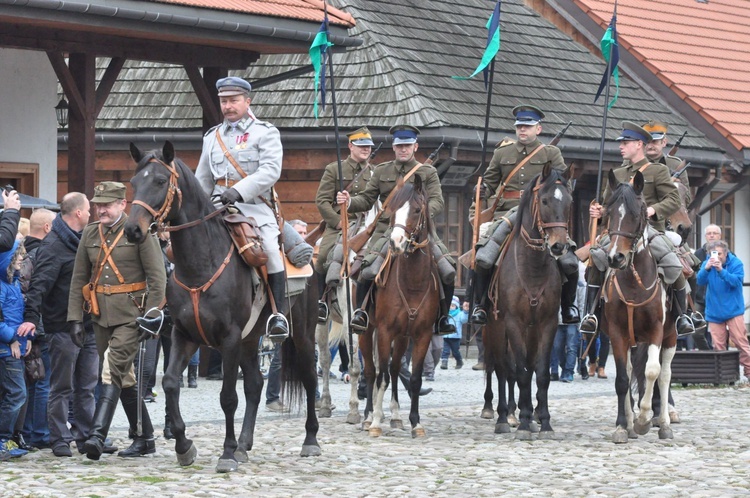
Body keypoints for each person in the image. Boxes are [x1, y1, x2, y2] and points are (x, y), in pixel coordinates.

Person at [67, 182, 166, 460]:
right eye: (98, 204)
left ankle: (96, 436)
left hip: (132, 315)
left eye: (107, 204)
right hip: (100, 315)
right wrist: (75, 318)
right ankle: (144, 438)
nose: (101, 209)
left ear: (123, 204)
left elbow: (158, 278)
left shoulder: (139, 232)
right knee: (124, 377)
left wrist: (153, 314)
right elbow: (79, 280)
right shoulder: (90, 233)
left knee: (111, 369)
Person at [336, 125, 455, 334]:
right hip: (386, 230)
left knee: (447, 268)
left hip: (420, 230)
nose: (403, 149)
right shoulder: (382, 170)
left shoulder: (428, 172)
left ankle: (443, 317)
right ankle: (361, 313)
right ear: (393, 147)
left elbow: (438, 201)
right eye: (399, 146)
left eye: (407, 146)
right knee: (367, 267)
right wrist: (349, 201)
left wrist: (421, 214)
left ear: (415, 147)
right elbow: (366, 199)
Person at [195, 76, 288, 342]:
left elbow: (271, 170)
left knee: (269, 248)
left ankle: (277, 314)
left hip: (253, 206)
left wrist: (239, 190)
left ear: (247, 101)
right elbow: (202, 179)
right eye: (224, 101)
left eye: (233, 101)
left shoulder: (265, 132)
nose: (227, 106)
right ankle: (171, 308)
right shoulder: (212, 137)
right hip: (215, 206)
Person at [471, 105, 579, 326]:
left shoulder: (551, 154)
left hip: (541, 215)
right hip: (507, 213)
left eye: (527, 127)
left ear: (538, 129)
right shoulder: (502, 153)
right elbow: (491, 182)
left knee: (570, 261)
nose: (523, 130)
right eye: (520, 126)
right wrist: (482, 191)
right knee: (484, 254)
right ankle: (480, 305)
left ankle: (568, 306)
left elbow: (563, 184)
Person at [582, 121, 693, 337]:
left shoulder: (658, 171)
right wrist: (601, 212)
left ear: (639, 145)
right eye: (621, 142)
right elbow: (609, 206)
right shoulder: (617, 173)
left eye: (626, 142)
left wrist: (652, 210)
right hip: (620, 230)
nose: (621, 146)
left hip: (650, 229)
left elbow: (673, 200)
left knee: (672, 260)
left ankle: (682, 316)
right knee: (597, 258)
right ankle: (591, 314)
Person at [18, 196, 106, 457]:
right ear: (78, 213)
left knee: (87, 386)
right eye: (89, 210)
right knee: (61, 387)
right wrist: (32, 318)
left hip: (88, 324)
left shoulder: (83, 242)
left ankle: (87, 436)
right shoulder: (53, 246)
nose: (92, 214)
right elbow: (38, 287)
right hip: (62, 326)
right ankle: (59, 439)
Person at [314, 127, 375, 322]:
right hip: (340, 224)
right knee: (323, 257)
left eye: (368, 146)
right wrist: (337, 222)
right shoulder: (334, 169)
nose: (366, 149)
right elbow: (322, 200)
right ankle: (321, 301)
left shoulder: (375, 172)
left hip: (367, 223)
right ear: (350, 146)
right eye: (361, 146)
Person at [15, 208, 55, 452]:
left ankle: (29, 432)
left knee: (31, 381)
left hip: (27, 328)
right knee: (41, 381)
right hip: (38, 328)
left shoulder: (23, 252)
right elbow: (33, 295)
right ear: (48, 228)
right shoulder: (42, 255)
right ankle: (38, 433)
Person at [696, 240, 750, 381]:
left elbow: (736, 282)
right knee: (718, 345)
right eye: (713, 253)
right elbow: (700, 281)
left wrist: (721, 271)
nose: (716, 257)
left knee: (740, 341)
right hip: (714, 311)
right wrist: (706, 268)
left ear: (726, 253)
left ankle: (749, 372)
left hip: (733, 310)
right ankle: (723, 376)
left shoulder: (736, 263)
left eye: (719, 253)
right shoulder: (707, 262)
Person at [1, 240, 31, 459]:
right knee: (17, 393)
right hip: (6, 350)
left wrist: (27, 337)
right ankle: (2, 439)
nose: (21, 258)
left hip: (14, 347)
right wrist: (12, 339)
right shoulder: (3, 285)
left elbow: (16, 316)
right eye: (17, 255)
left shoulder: (13, 282)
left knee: (15, 394)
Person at [692, 224, 723, 350]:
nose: (711, 235)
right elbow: (692, 274)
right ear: (705, 236)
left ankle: (721, 360)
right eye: (709, 233)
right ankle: (708, 354)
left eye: (714, 233)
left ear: (719, 236)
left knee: (720, 335)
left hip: (719, 299)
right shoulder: (698, 253)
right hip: (700, 299)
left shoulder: (726, 253)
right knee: (697, 333)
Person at [440, 297, 466, 370]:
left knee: (455, 351)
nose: (451, 307)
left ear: (456, 306)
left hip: (455, 337)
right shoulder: (445, 315)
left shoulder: (459, 314)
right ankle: (444, 363)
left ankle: (459, 361)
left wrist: (465, 312)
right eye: (450, 305)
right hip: (446, 336)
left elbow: (464, 319)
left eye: (453, 305)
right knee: (445, 350)